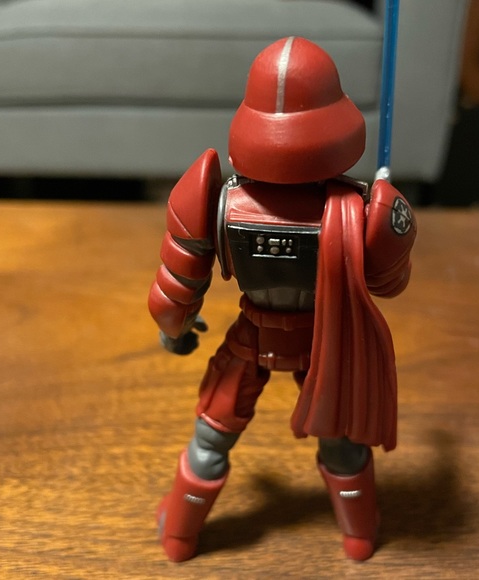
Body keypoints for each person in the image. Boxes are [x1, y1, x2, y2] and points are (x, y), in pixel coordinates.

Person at [148, 36, 416, 562]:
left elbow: (176, 286)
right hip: (325, 345)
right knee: (342, 441)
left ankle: (179, 535)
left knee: (211, 438)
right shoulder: (361, 210)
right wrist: (388, 222)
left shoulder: (214, 198)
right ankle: (360, 536)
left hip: (255, 339)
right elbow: (389, 285)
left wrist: (173, 331)